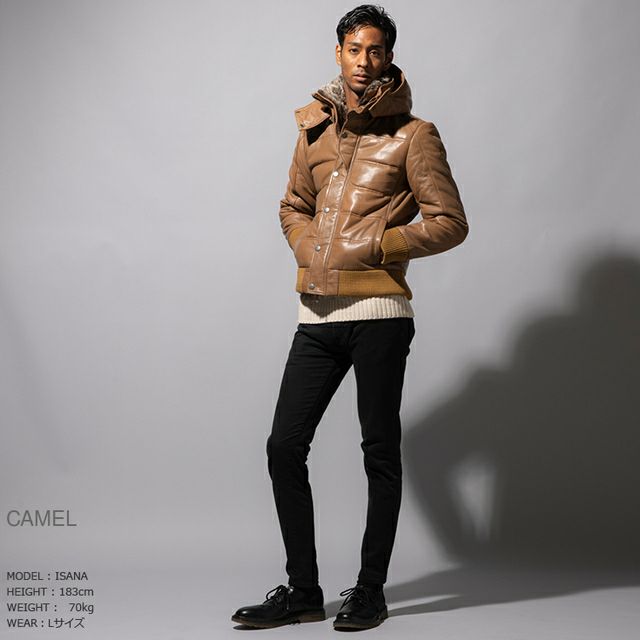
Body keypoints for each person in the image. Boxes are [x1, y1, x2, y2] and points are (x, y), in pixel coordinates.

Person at [231, 3, 468, 631]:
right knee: (284, 446)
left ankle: (370, 590)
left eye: (376, 51)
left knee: (378, 450)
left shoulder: (415, 134)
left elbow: (450, 222)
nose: (364, 62)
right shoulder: (313, 129)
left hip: (380, 313)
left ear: (389, 57)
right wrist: (309, 247)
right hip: (317, 314)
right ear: (338, 53)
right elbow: (293, 206)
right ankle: (303, 591)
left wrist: (380, 244)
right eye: (354, 49)